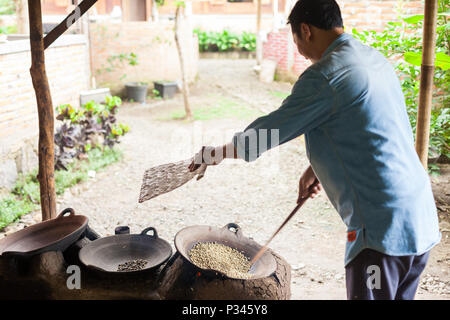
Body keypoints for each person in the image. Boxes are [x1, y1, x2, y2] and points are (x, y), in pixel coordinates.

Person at [188, 0, 441, 300]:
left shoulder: (325, 76)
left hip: (381, 234)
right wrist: (319, 166)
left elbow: (266, 133)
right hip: (419, 220)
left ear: (305, 30)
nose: (299, 51)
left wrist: (212, 154)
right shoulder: (372, 58)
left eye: (295, 41)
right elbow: (372, 127)